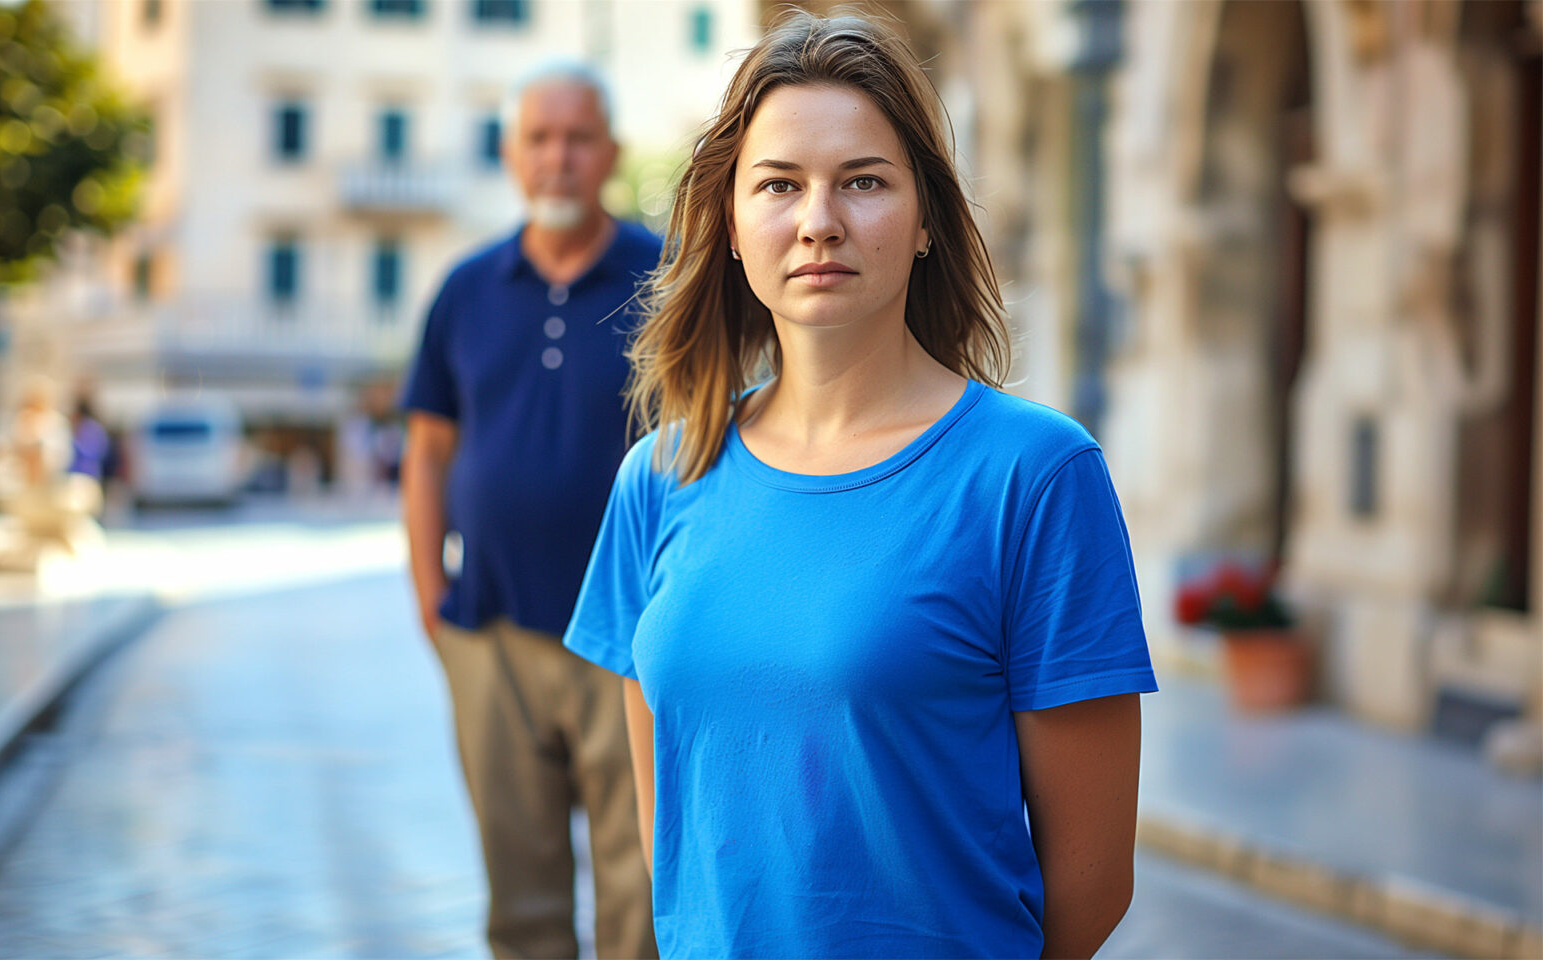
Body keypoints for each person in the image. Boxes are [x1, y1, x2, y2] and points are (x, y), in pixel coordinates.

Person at [564, 12, 1157, 960]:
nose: (818, 222)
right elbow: (672, 837)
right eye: (779, 185)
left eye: (864, 182)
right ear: (729, 223)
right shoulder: (658, 480)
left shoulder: (1035, 477)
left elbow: (1092, 885)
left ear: (926, 220)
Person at [400, 63, 660, 959]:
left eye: (577, 139)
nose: (559, 159)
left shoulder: (668, 279)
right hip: (494, 629)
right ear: (512, 155)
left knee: (642, 892)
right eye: (539, 140)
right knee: (521, 895)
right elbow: (428, 454)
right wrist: (431, 598)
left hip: (634, 636)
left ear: (611, 154)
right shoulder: (465, 290)